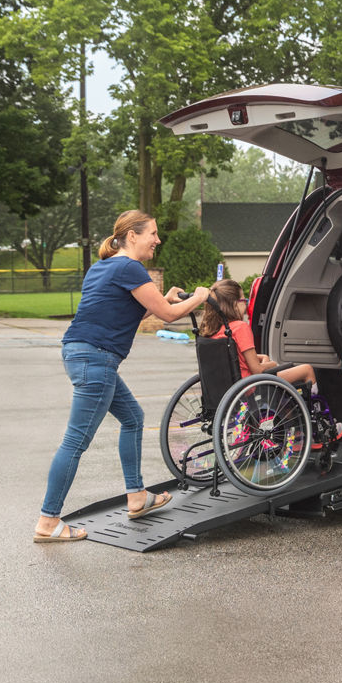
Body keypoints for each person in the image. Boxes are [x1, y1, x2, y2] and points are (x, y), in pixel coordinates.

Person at [33, 210, 211, 543]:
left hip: (82, 353)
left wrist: (161, 299)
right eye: (152, 233)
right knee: (75, 441)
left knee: (132, 418)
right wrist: (199, 298)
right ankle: (48, 520)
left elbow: (128, 311)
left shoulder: (102, 267)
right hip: (96, 358)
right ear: (132, 236)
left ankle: (137, 496)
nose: (157, 239)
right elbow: (168, 315)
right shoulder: (130, 267)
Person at [199, 278, 342, 441]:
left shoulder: (213, 330)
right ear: (233, 304)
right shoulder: (240, 327)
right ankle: (316, 423)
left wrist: (263, 358)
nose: (246, 304)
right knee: (306, 370)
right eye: (243, 300)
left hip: (228, 387)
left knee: (268, 362)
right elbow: (257, 370)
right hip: (249, 386)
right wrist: (273, 363)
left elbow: (234, 358)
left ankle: (290, 419)